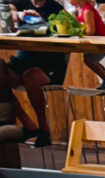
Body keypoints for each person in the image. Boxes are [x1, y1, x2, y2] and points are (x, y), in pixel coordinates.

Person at [7, 0, 68, 146]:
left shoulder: (56, 8)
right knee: (1, 74)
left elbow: (66, 27)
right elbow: (6, 11)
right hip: (23, 61)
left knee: (31, 75)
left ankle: (44, 128)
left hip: (49, 64)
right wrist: (20, 15)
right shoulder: (21, 3)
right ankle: (28, 124)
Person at [69, 0, 105, 90]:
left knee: (89, 59)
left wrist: (75, 32)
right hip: (95, 41)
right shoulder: (78, 9)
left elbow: (91, 31)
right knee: (88, 59)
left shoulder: (87, 11)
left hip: (102, 41)